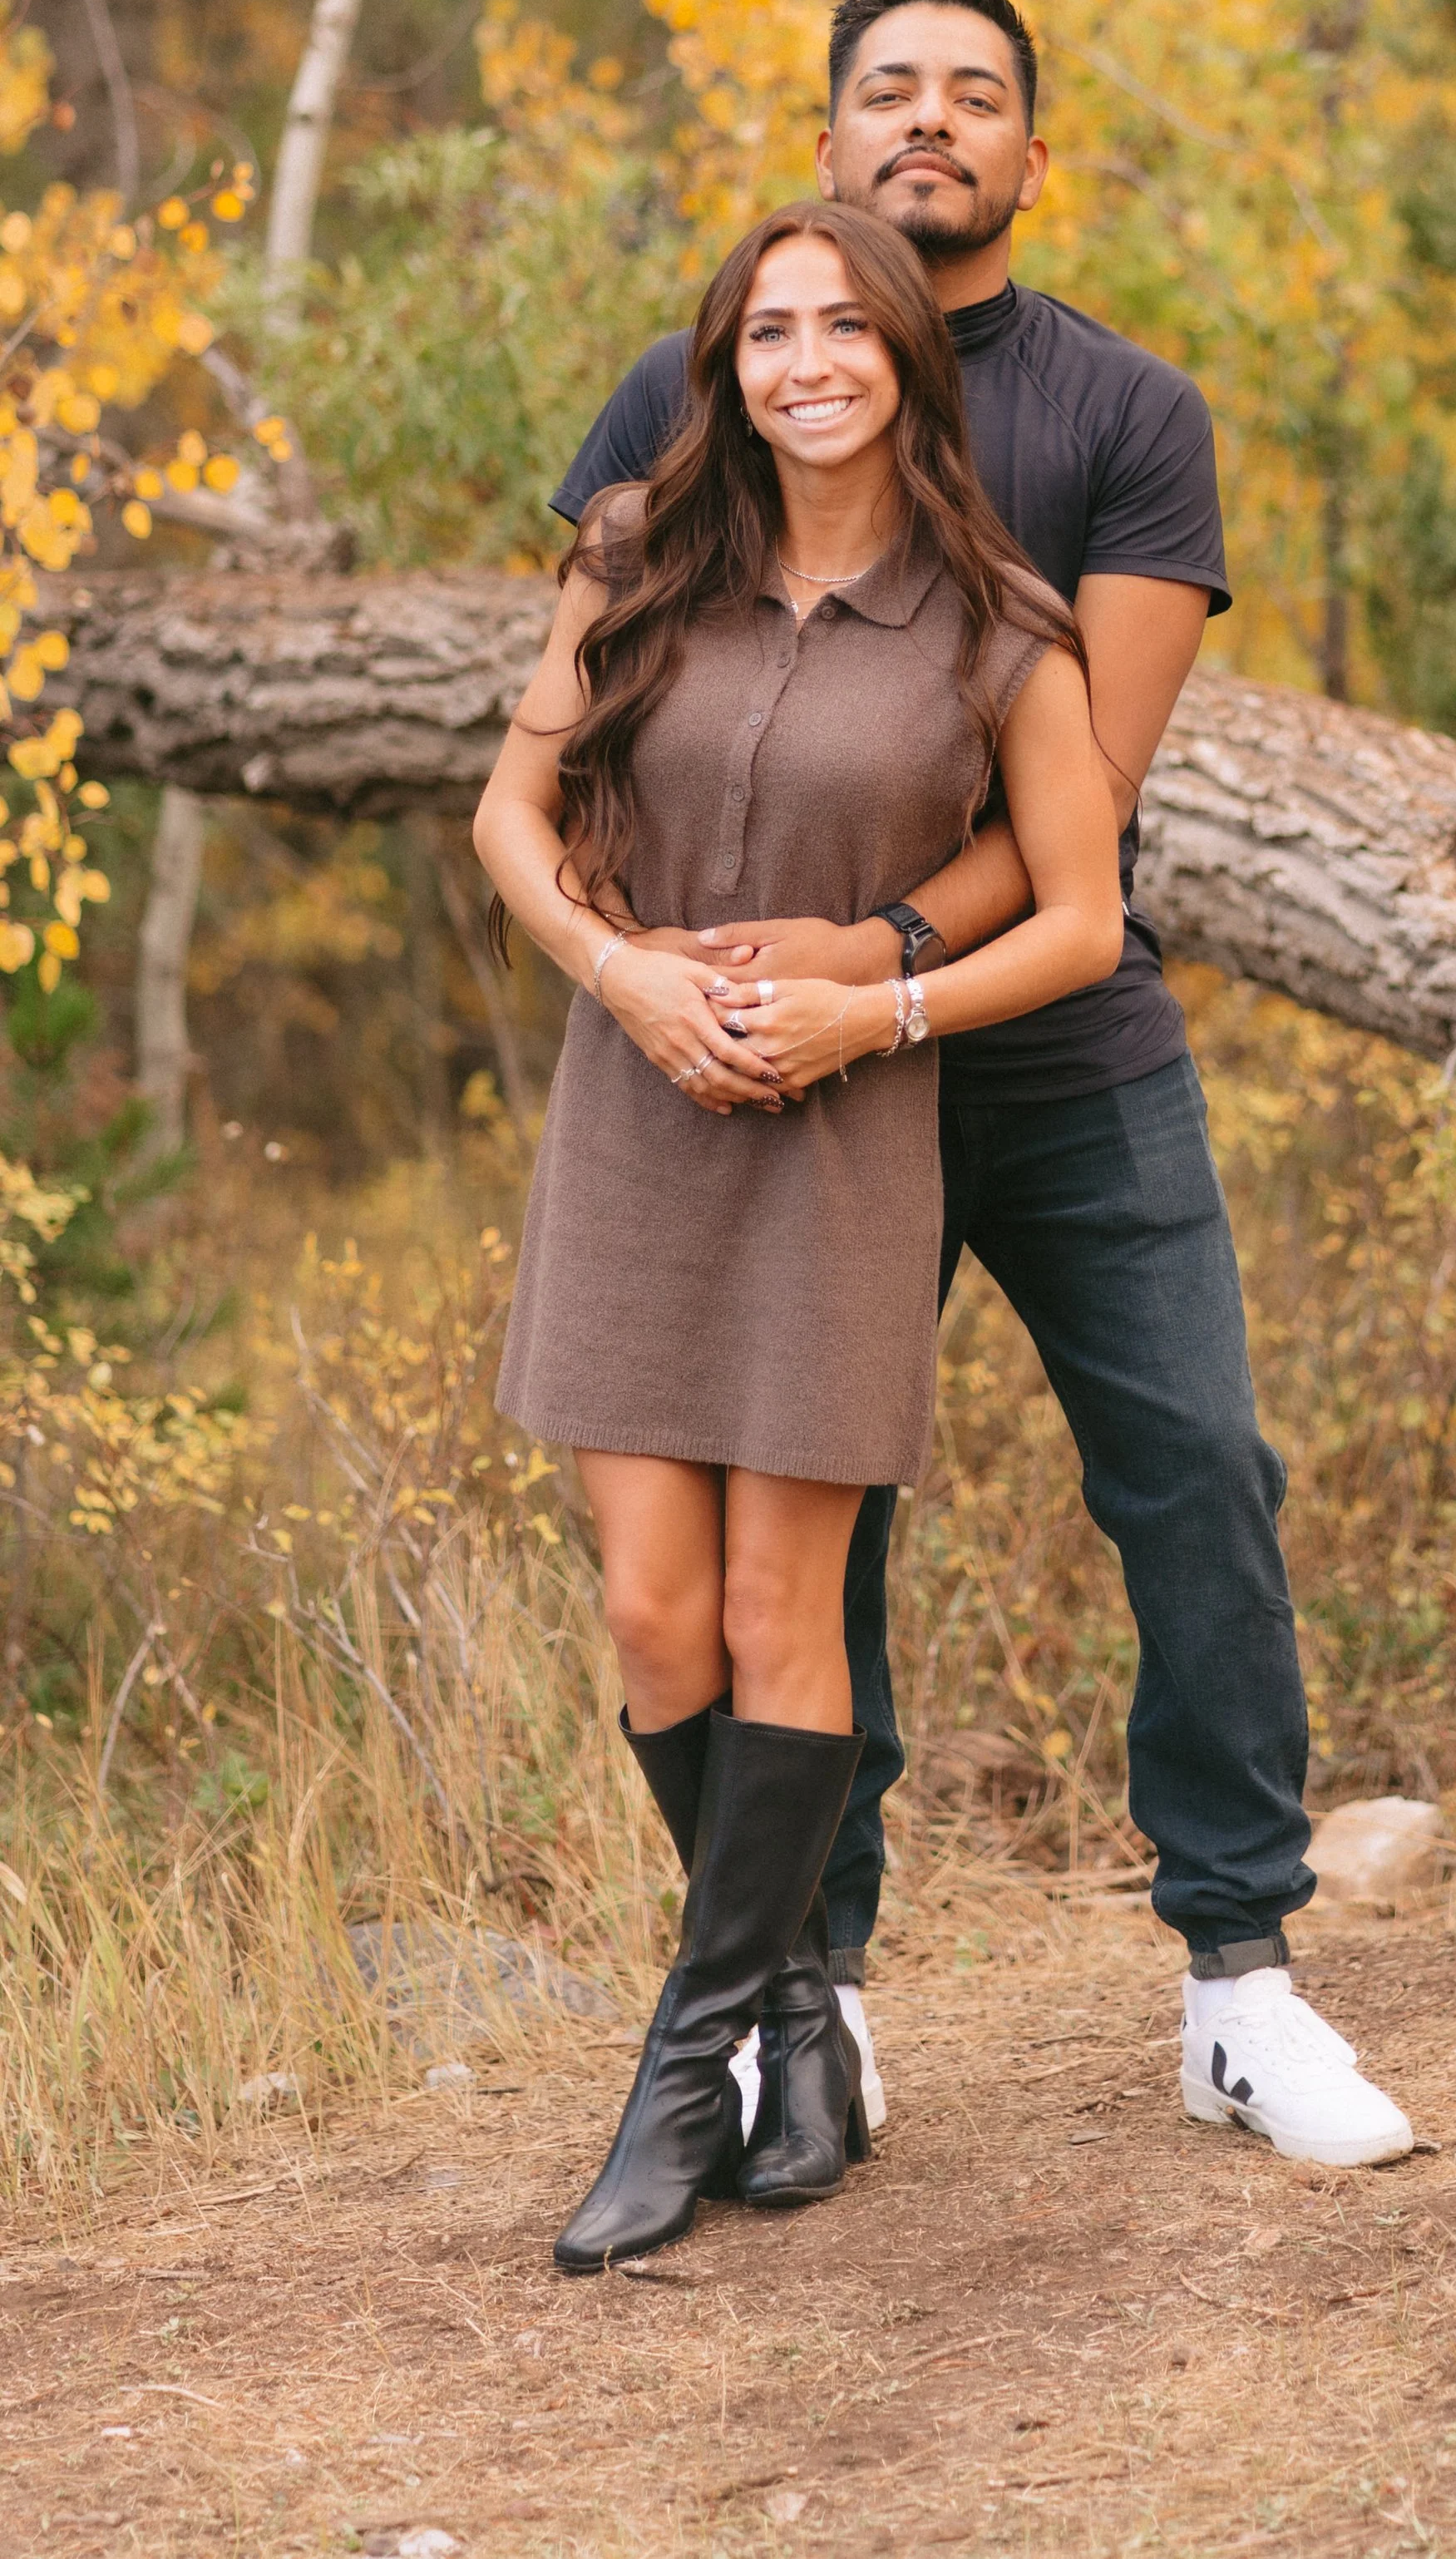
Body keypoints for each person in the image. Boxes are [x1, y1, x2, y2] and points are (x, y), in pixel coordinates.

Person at [553, 0, 1414, 2169]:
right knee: (780, 1543)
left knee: (1200, 1474)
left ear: (1036, 154)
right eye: (886, 91)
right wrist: (691, 986)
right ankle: (796, 1991)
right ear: (825, 141)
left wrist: (866, 960)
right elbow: (605, 728)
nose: (927, 122)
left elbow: (1079, 810)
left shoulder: (1123, 417)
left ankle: (1240, 1980)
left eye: (975, 96)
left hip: (1048, 1045)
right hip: (771, 1079)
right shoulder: (697, 385)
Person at [476, 197, 1123, 2269]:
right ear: (724, 363)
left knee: (785, 1615)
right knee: (655, 1617)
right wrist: (620, 974)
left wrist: (878, 1003)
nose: (808, 360)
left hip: (845, 1141)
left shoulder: (1000, 619)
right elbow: (507, 809)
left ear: (902, 363)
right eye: (769, 331)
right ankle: (787, 2027)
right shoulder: (635, 555)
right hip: (633, 1119)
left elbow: (1084, 913)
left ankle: (692, 2065)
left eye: (846, 325)